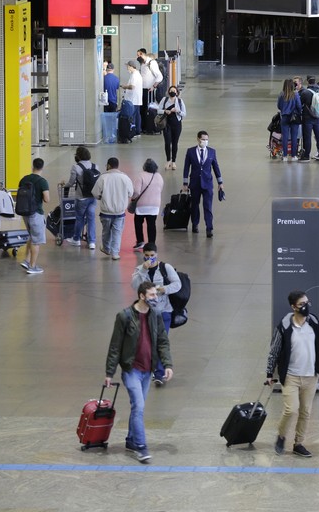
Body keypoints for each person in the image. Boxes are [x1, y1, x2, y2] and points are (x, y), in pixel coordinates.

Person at [104, 281, 174, 464]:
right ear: (142, 296)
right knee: (139, 407)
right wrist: (109, 373)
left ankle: (130, 440)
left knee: (137, 407)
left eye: (156, 295)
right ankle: (141, 447)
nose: (155, 298)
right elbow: (115, 346)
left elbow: (162, 342)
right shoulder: (124, 316)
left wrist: (167, 364)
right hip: (131, 370)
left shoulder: (156, 315)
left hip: (147, 371)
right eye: (152, 295)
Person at [266, 290, 319, 459]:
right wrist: (269, 373)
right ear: (293, 307)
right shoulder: (284, 326)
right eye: (301, 304)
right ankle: (281, 435)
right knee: (291, 410)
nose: (306, 306)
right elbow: (274, 350)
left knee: (305, 411)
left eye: (307, 302)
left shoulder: (314, 323)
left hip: (310, 376)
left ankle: (298, 443)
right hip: (291, 376)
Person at [130, 243, 182, 385]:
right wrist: (143, 271)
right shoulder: (140, 270)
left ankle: (159, 374)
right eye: (147, 256)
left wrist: (164, 289)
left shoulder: (166, 268)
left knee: (160, 340)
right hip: (147, 313)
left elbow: (177, 284)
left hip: (164, 311)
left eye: (152, 255)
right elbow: (134, 285)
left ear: (156, 255)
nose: (149, 258)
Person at [182, 131, 223, 238]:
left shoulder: (211, 152)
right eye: (203, 139)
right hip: (195, 183)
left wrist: (220, 182)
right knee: (194, 205)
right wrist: (185, 183)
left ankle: (209, 228)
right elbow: (186, 168)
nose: (205, 141)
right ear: (198, 139)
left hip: (207, 184)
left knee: (208, 206)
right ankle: (195, 224)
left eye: (206, 139)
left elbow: (216, 167)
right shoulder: (190, 152)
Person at [91, 157, 134, 260]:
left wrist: (100, 197)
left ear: (109, 165)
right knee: (117, 232)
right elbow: (131, 193)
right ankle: (115, 253)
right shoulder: (125, 178)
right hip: (120, 212)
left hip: (106, 212)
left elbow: (95, 193)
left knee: (106, 231)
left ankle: (106, 248)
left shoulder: (102, 178)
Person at [17, 158, 51, 275]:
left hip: (25, 213)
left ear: (33, 166)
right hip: (36, 213)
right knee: (36, 241)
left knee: (32, 237)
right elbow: (47, 199)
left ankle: (26, 260)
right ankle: (32, 266)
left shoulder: (24, 179)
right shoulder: (42, 181)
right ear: (42, 167)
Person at [62, 146, 97, 251]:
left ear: (78, 156)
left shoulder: (76, 167)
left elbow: (71, 182)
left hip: (81, 198)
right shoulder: (95, 166)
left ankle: (76, 239)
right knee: (91, 219)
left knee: (79, 218)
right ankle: (92, 242)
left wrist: (64, 185)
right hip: (93, 197)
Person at [131, 159, 164, 250]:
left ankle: (140, 241)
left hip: (142, 205)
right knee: (151, 224)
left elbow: (137, 191)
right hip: (154, 205)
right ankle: (152, 243)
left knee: (138, 222)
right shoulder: (159, 176)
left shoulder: (141, 175)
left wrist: (133, 198)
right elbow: (160, 189)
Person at [298, 77, 319, 161]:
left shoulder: (305, 92)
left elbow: (300, 105)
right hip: (317, 117)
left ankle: (306, 155)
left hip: (307, 118)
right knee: (318, 136)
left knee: (307, 137)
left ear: (307, 82)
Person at [161, 84, 186, 170]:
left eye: (174, 91)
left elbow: (184, 113)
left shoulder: (179, 101)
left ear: (177, 93)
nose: (172, 92)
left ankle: (173, 161)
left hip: (177, 125)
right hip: (166, 124)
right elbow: (158, 110)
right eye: (171, 91)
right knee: (167, 142)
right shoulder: (164, 100)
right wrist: (165, 111)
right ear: (168, 92)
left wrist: (177, 111)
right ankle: (168, 160)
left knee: (175, 143)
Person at [277, 78, 302, 163]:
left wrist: (284, 110)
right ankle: (294, 155)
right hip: (294, 117)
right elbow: (299, 106)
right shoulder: (295, 94)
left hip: (284, 117)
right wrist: (298, 113)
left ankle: (284, 156)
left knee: (285, 137)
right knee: (294, 137)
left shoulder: (281, 94)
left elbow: (279, 106)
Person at [121, 60, 143, 135]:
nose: (127, 68)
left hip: (133, 100)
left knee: (132, 116)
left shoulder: (134, 75)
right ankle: (137, 131)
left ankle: (133, 132)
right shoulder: (137, 74)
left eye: (127, 66)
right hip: (136, 99)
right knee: (137, 115)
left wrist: (124, 86)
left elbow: (132, 86)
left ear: (131, 66)